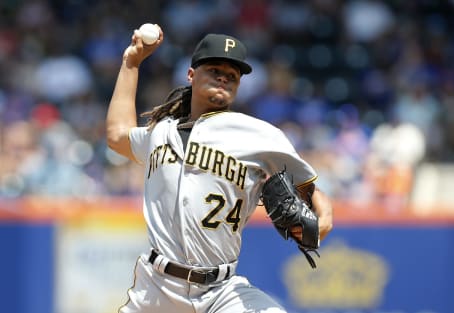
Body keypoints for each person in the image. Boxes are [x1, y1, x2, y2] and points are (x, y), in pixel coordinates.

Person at [106, 24, 333, 313]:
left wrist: (324, 219)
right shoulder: (160, 132)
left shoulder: (258, 135)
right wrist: (132, 62)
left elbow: (309, 188)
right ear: (191, 75)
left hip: (221, 291)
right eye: (215, 70)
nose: (223, 79)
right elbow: (117, 135)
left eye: (232, 76)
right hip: (156, 288)